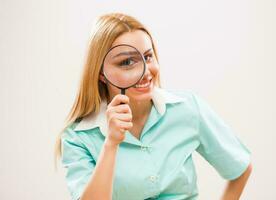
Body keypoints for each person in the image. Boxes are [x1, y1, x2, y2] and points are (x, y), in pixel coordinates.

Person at [54, 12, 252, 200]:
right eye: (127, 61)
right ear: (101, 74)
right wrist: (111, 144)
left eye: (148, 57)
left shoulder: (188, 109)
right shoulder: (77, 137)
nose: (146, 72)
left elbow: (240, 167)